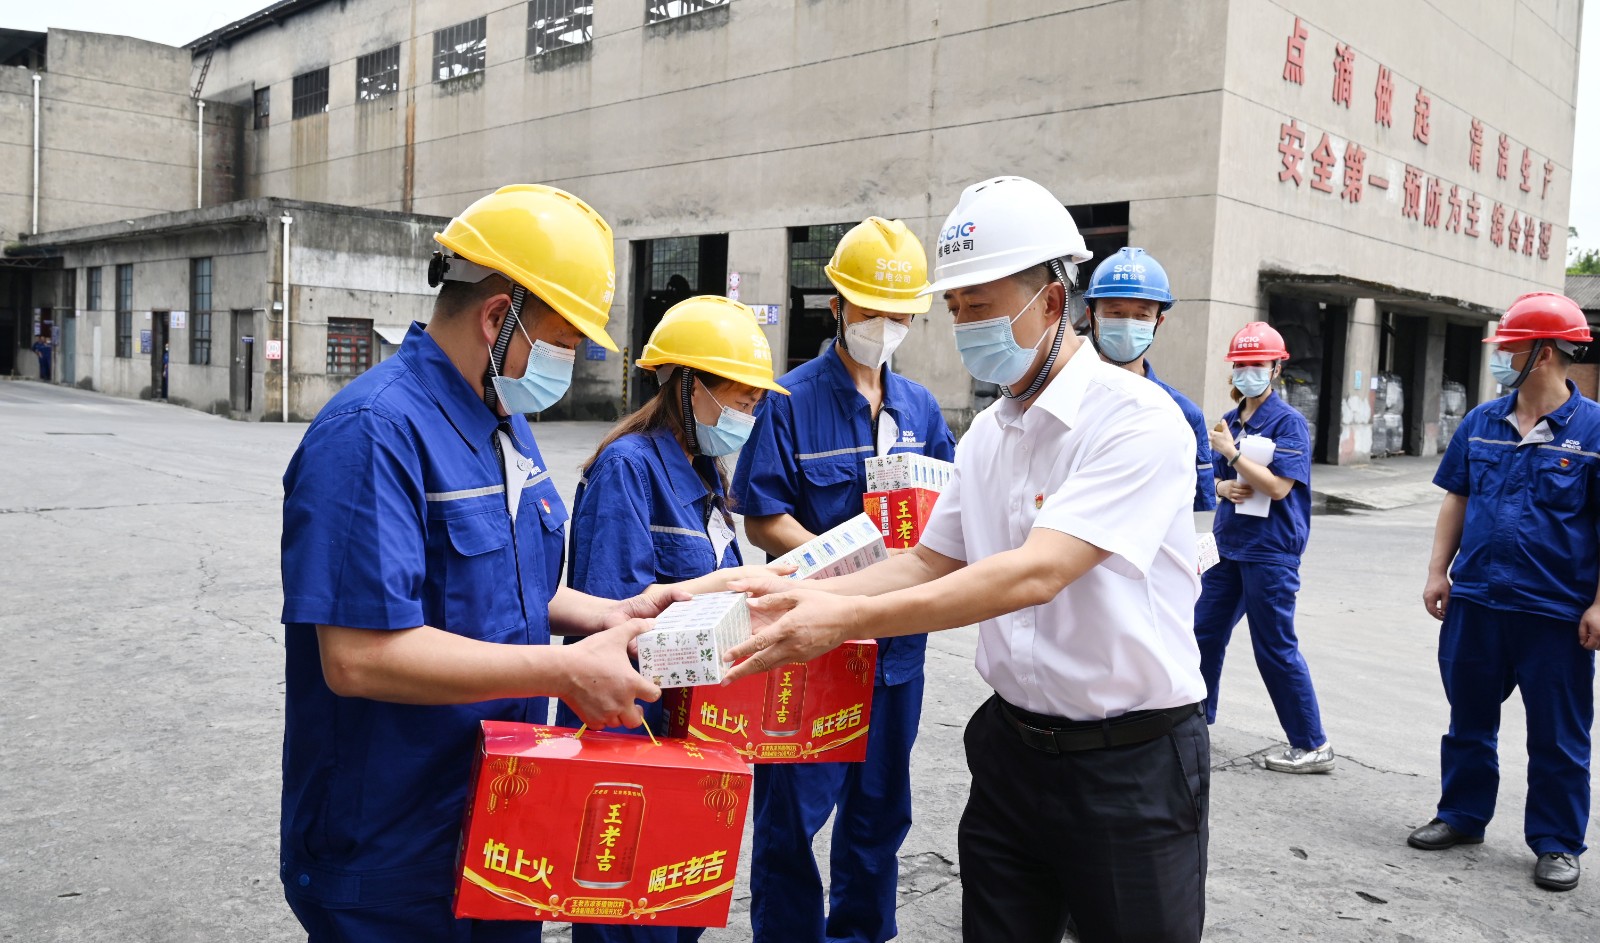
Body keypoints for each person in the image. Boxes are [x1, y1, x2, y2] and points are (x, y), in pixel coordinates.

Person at [725, 176, 1209, 943]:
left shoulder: (1137, 422)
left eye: (979, 306)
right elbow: (927, 560)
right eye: (954, 310)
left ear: (1052, 301)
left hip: (1127, 764)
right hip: (1012, 754)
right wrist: (794, 584)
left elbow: (1037, 571)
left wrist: (843, 617)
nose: (964, 327)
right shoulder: (990, 433)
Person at [278, 184, 667, 942]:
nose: (570, 362)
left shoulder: (501, 419)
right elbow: (358, 656)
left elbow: (502, 587)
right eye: (564, 341)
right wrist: (564, 671)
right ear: (497, 317)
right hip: (394, 845)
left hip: (500, 820)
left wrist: (611, 613)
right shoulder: (373, 432)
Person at [731, 216, 957, 943]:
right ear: (836, 305)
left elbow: (950, 515)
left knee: (879, 812)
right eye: (869, 310)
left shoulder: (921, 409)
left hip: (896, 652)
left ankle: (861, 933)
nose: (883, 327)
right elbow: (763, 516)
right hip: (812, 649)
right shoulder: (789, 400)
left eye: (899, 315)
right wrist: (844, 568)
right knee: (792, 819)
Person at [550, 294, 790, 943]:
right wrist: (717, 587)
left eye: (755, 404)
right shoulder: (627, 467)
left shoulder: (704, 469)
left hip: (695, 733)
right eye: (739, 400)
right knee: (628, 916)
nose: (747, 417)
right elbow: (609, 618)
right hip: (632, 734)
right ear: (688, 386)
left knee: (679, 908)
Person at [1413, 291, 1600, 893]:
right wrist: (1438, 571)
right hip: (1477, 601)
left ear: (1541, 354)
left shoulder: (1594, 431)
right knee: (1468, 719)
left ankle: (1557, 841)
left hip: (1554, 610)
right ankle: (1462, 816)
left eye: (1509, 349)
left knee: (1558, 735)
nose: (1499, 359)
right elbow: (1457, 498)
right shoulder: (1481, 422)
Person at [1192, 322, 1333, 773]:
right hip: (1228, 546)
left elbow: (1277, 487)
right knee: (1201, 634)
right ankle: (1193, 724)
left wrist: (1233, 454)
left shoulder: (1288, 423)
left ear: (1275, 369)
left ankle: (1312, 744)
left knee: (1274, 647)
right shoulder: (1230, 420)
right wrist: (1223, 485)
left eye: (1257, 364)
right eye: (1242, 364)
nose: (1248, 371)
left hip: (1270, 551)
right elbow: (1213, 482)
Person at [1081, 247, 1215, 511]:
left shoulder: (1183, 414)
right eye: (1115, 313)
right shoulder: (1061, 398)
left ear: (1158, 322)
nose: (1128, 324)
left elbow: (1190, 505)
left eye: (1142, 315)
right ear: (1091, 317)